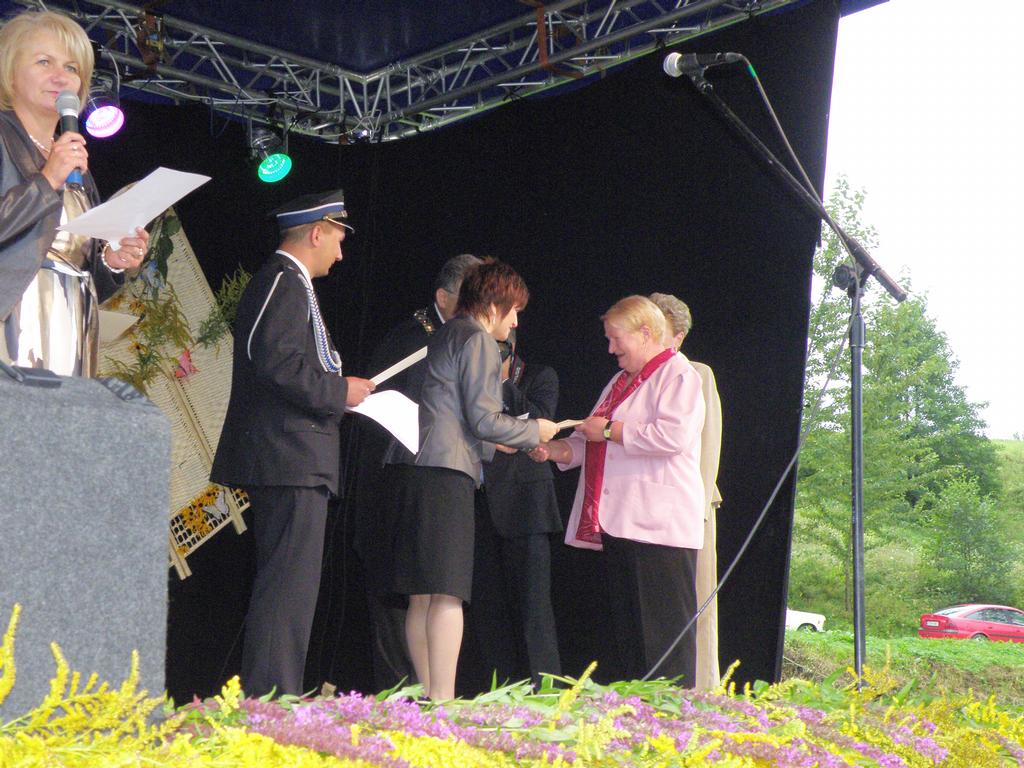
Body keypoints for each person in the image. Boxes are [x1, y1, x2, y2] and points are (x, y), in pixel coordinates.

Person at [210, 190, 376, 697]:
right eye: (340, 240)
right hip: (288, 456)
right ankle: (271, 697)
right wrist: (339, 392)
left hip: (296, 456)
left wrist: (340, 390)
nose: (341, 254)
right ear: (317, 232)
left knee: (292, 586)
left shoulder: (292, 284)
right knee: (287, 585)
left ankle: (274, 693)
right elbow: (275, 362)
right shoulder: (282, 280)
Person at [388, 258, 558, 700]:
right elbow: (484, 418)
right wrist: (533, 431)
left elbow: (455, 413)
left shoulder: (448, 332)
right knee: (447, 594)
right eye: (514, 310)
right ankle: (443, 703)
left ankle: (430, 698)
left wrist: (495, 445)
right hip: (445, 475)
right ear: (494, 303)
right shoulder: (479, 338)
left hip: (417, 470)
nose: (515, 322)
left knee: (422, 595)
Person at [530, 295, 705, 685]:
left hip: (659, 529)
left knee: (664, 642)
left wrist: (610, 429)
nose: (610, 349)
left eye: (615, 338)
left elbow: (672, 437)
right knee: (630, 639)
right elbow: (590, 439)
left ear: (644, 333)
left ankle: (669, 716)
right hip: (622, 524)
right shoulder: (621, 381)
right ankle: (634, 712)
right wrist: (554, 450)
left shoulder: (679, 374)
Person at [355, 253, 481, 691]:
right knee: (420, 595)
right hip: (405, 481)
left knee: (429, 595)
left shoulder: (463, 339)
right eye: (469, 298)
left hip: (442, 475)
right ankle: (415, 695)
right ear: (443, 298)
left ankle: (429, 695)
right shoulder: (412, 340)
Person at [1, 10, 149, 376]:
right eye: (44, 62)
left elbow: (75, 264)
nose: (61, 77)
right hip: (11, 329)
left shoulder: (72, 160)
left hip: (71, 330)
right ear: (9, 71)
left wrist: (111, 261)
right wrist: (46, 179)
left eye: (71, 67)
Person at [469, 327, 562, 689]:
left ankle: (547, 694)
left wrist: (504, 380)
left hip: (527, 507)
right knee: (488, 610)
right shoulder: (470, 381)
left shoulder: (540, 376)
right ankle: (501, 693)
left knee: (534, 609)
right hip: (478, 503)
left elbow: (539, 421)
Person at [649, 292, 723, 690]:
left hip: (688, 508)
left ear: (677, 337)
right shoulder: (631, 378)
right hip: (643, 513)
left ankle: (699, 693)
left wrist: (698, 509)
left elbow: (708, 448)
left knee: (694, 603)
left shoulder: (696, 373)